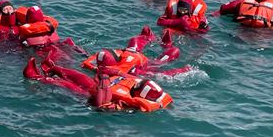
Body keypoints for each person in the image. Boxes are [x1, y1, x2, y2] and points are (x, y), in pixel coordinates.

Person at [24, 54, 173, 112]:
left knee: (62, 83)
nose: (136, 84)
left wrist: (105, 84)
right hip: (94, 86)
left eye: (139, 86)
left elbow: (104, 107)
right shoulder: (133, 85)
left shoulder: (131, 105)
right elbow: (122, 75)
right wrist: (115, 73)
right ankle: (51, 67)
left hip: (86, 96)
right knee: (76, 74)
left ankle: (35, 76)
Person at [81, 26, 183, 76]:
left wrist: (182, 71)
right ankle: (159, 39)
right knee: (174, 51)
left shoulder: (124, 66)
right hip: (138, 57)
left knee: (134, 40)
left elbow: (159, 74)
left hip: (138, 59)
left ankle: (156, 39)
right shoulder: (106, 60)